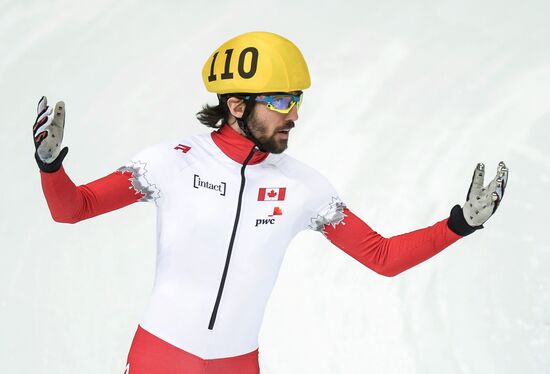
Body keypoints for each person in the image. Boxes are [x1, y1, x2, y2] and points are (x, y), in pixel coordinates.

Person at [33, 31, 508, 374]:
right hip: (161, 357)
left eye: (297, 98)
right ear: (237, 105)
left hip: (238, 364)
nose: (295, 114)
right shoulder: (169, 162)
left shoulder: (304, 186)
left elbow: (381, 258)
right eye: (281, 100)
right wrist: (51, 167)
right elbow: (73, 209)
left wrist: (460, 224)